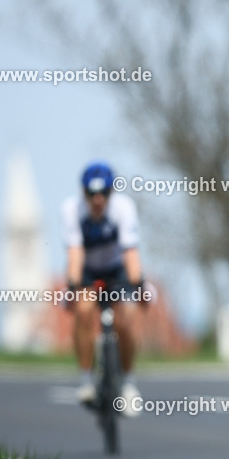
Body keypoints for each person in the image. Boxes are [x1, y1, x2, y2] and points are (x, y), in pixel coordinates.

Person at [62, 161, 144, 416]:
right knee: (84, 311)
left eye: (104, 194)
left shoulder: (124, 208)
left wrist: (137, 283)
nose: (98, 200)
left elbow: (130, 253)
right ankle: (86, 379)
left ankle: (129, 382)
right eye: (91, 194)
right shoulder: (70, 210)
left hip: (116, 267)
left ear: (112, 192)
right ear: (83, 193)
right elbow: (74, 253)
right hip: (88, 269)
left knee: (127, 318)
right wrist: (74, 285)